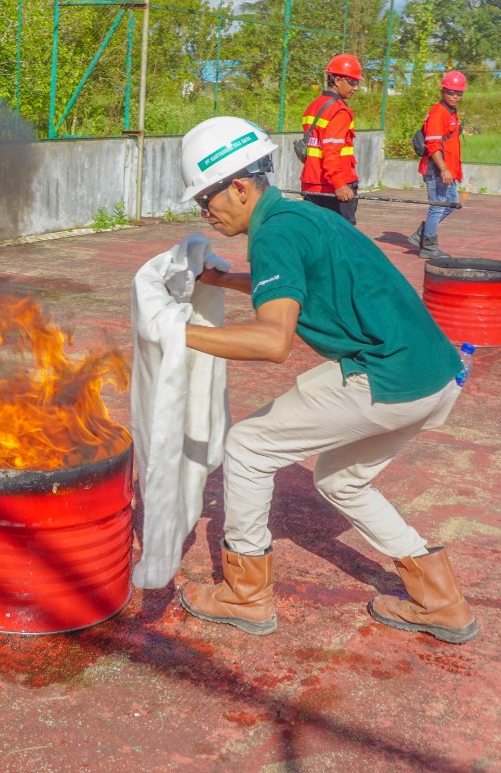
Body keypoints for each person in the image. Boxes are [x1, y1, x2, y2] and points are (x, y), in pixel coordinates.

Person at [172, 115, 480, 645]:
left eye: (206, 199)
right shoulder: (301, 216)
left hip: (386, 379)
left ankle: (245, 595)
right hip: (436, 374)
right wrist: (222, 279)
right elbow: (289, 283)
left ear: (239, 187)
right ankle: (442, 601)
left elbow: (273, 342)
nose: (206, 213)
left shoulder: (272, 236)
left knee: (247, 447)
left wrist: (174, 334)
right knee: (341, 480)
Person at [299, 54, 362, 224]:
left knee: (315, 235)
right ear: (338, 80)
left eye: (357, 83)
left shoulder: (313, 106)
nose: (356, 88)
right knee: (343, 239)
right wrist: (340, 183)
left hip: (311, 184)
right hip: (333, 188)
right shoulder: (339, 111)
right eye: (352, 82)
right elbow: (331, 151)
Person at [411, 71, 467, 259]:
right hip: (437, 170)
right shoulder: (438, 113)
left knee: (451, 204)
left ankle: (423, 233)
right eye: (451, 92)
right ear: (443, 91)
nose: (455, 97)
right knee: (437, 206)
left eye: (459, 93)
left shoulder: (451, 113)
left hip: (447, 170)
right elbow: (433, 145)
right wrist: (443, 169)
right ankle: (428, 247)